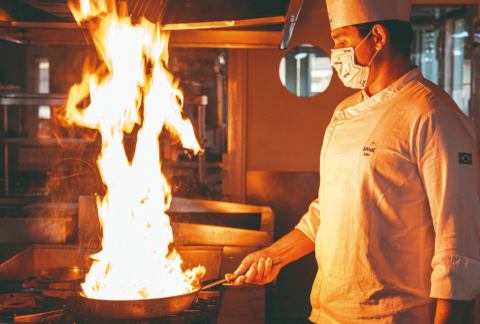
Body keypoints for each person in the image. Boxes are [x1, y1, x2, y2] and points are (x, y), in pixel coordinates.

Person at [232, 0, 480, 323]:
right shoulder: (343, 111)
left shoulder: (434, 116)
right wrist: (274, 256)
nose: (335, 52)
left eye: (342, 41)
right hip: (325, 314)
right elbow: (330, 208)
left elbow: (456, 247)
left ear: (377, 38)